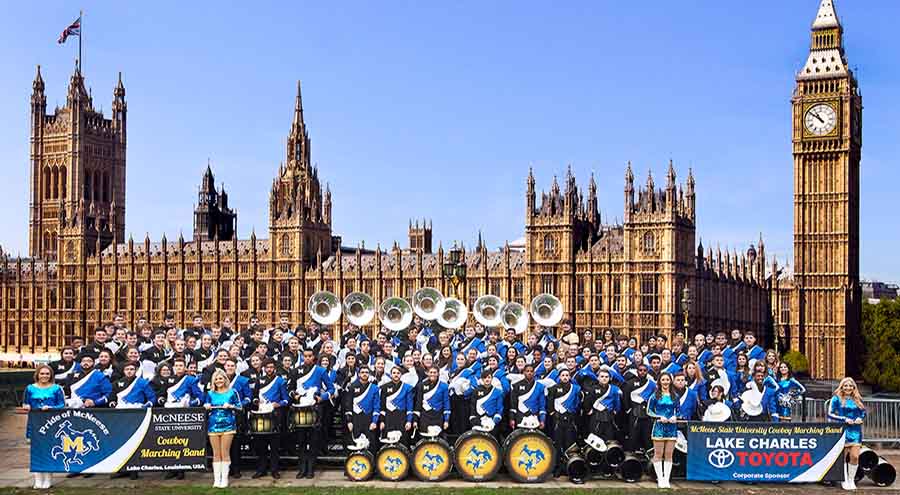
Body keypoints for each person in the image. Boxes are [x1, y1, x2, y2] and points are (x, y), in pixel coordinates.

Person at [288, 349, 334, 479]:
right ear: (302, 357)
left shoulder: (320, 371)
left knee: (313, 440)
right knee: (301, 440)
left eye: (309, 356)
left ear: (313, 357)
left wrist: (322, 397)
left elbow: (331, 388)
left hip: (315, 408)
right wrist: (295, 396)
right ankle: (301, 468)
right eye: (305, 356)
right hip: (300, 409)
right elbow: (290, 389)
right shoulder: (295, 371)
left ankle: (311, 469)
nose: (307, 358)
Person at [22, 364, 65, 489]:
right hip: (35, 422)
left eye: (47, 373)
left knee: (48, 450)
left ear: (51, 375)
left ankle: (48, 479)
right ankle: (37, 479)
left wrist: (51, 408)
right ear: (37, 374)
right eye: (42, 373)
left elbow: (62, 405)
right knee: (35, 451)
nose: (44, 376)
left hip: (51, 422)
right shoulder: (29, 388)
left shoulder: (56, 388)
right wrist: (26, 406)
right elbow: (25, 403)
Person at [204, 369, 243, 488]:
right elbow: (206, 404)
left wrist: (231, 406)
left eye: (220, 378)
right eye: (216, 379)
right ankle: (217, 479)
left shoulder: (232, 392)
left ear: (225, 379)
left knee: (225, 452)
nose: (218, 381)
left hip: (228, 425)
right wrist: (206, 406)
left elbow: (240, 407)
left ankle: (224, 479)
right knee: (216, 453)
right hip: (213, 425)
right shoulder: (210, 393)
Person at [251, 358, 289, 479]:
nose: (269, 369)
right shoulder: (259, 380)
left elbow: (286, 400)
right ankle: (261, 469)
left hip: (274, 416)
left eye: (271, 367)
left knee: (274, 446)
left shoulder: (280, 381)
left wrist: (278, 404)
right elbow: (254, 398)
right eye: (267, 367)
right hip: (261, 415)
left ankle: (274, 470)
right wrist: (257, 402)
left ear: (275, 368)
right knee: (261, 445)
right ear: (264, 368)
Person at [828, 377, 866, 491]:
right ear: (842, 386)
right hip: (842, 430)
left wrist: (860, 418)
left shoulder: (857, 398)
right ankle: (844, 480)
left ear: (854, 387)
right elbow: (830, 414)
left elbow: (863, 412)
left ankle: (851, 479)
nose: (848, 387)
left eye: (850, 385)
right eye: (846, 385)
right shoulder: (836, 398)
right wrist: (843, 419)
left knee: (855, 456)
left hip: (856, 431)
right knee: (843, 457)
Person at [546, 368, 582, 483]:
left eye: (567, 375)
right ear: (559, 377)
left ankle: (569, 467)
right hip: (558, 421)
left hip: (570, 420)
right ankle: (557, 468)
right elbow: (550, 403)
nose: (565, 377)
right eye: (563, 375)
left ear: (570, 377)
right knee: (557, 444)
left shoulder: (575, 389)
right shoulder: (554, 388)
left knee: (570, 445)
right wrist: (553, 414)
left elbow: (577, 403)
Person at [647, 372, 678, 489]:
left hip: (672, 428)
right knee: (658, 454)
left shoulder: (675, 396)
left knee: (669, 454)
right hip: (659, 427)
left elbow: (679, 410)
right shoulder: (655, 396)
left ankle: (666, 479)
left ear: (670, 381)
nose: (665, 382)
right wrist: (659, 417)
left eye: (667, 379)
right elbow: (649, 411)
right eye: (663, 380)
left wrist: (676, 416)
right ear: (659, 382)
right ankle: (660, 478)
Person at [343, 366, 380, 451]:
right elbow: (348, 405)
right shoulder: (352, 387)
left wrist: (374, 421)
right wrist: (349, 421)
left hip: (369, 419)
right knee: (356, 443)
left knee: (371, 445)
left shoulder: (374, 388)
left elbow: (376, 406)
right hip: (356, 419)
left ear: (369, 374)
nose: (364, 374)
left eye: (366, 372)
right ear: (359, 374)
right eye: (362, 372)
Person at [379, 366, 415, 446]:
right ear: (391, 375)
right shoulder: (384, 387)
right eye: (394, 373)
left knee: (403, 442)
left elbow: (410, 406)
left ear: (401, 374)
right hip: (389, 418)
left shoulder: (407, 388)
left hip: (402, 417)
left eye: (398, 373)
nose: (396, 375)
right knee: (389, 442)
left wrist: (409, 421)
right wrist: (382, 421)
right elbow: (382, 406)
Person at [414, 366, 450, 438]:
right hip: (425, 416)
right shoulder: (421, 385)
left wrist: (446, 420)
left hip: (438, 416)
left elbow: (446, 403)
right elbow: (418, 403)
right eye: (431, 372)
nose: (432, 374)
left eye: (434, 372)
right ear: (427, 373)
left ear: (438, 374)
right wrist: (415, 420)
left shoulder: (444, 386)